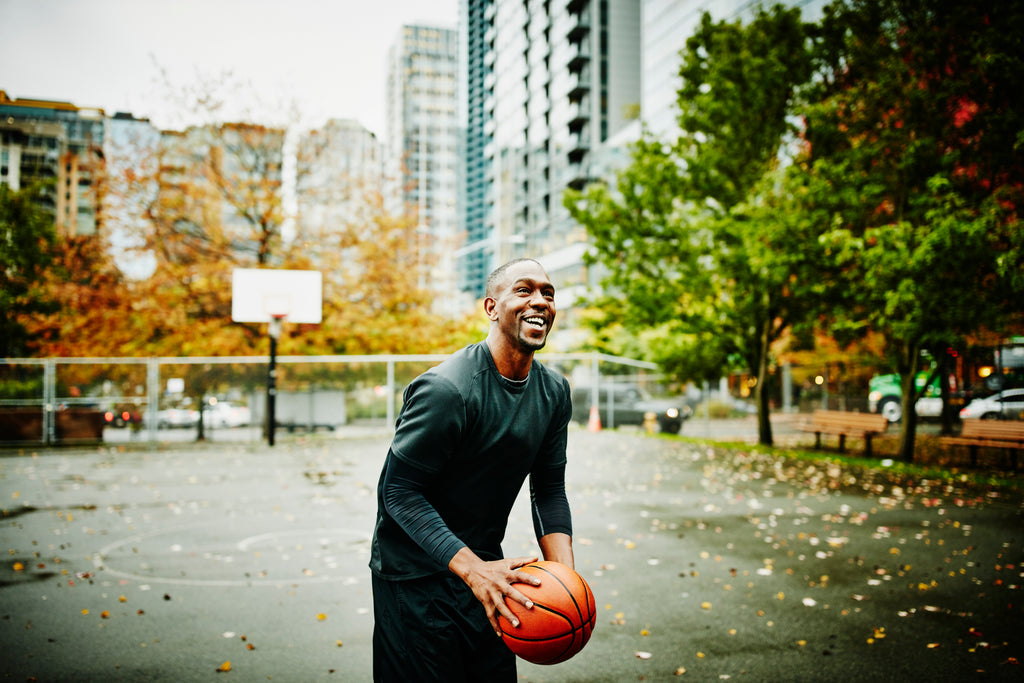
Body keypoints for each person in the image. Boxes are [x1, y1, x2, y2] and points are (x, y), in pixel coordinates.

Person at [369, 258, 575, 682]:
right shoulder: (447, 390)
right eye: (524, 290)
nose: (539, 300)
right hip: (414, 574)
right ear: (491, 308)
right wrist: (472, 568)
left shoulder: (553, 392)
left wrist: (566, 580)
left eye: (548, 293)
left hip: (489, 569)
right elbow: (399, 493)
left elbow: (550, 488)